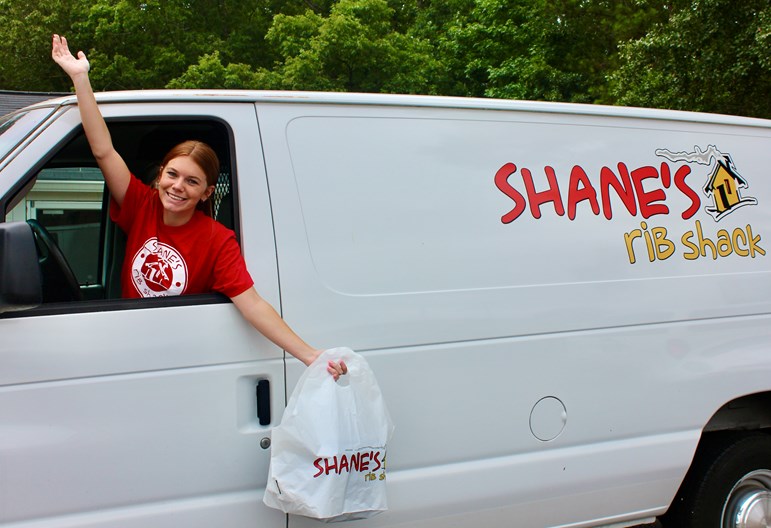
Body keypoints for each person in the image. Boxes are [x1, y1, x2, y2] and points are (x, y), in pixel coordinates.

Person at [51, 34, 347, 379]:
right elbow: (103, 150)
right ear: (160, 175)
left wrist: (309, 355)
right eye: (173, 175)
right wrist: (80, 78)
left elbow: (251, 304)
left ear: (207, 193)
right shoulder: (140, 204)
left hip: (180, 356)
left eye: (191, 182)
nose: (178, 187)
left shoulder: (217, 240)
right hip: (129, 343)